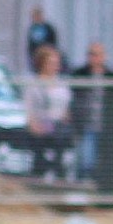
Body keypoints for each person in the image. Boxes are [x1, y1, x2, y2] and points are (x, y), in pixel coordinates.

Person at [23, 43, 72, 179]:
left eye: (56, 63)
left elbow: (66, 106)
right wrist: (33, 124)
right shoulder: (33, 84)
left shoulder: (62, 84)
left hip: (58, 127)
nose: (55, 66)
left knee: (60, 149)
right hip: (40, 125)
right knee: (39, 152)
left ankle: (59, 177)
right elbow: (29, 107)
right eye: (51, 62)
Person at [69, 41, 113, 181]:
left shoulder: (112, 76)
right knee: (86, 161)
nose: (95, 58)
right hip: (87, 125)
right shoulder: (80, 75)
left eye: (98, 54)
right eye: (92, 54)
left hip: (106, 126)